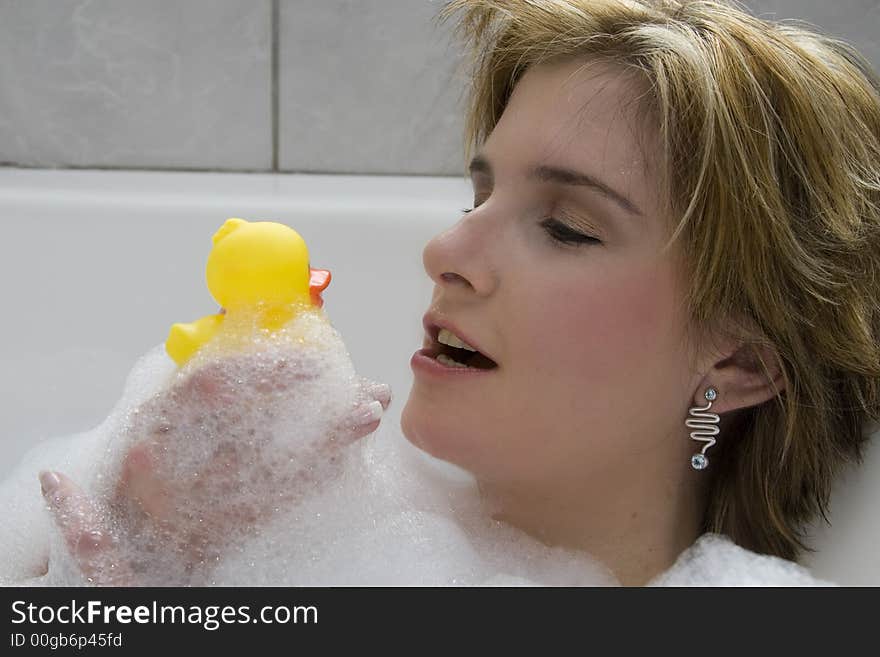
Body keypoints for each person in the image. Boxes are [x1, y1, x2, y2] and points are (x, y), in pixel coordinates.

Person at [9, 0, 880, 586]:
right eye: (479, 197)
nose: (442, 248)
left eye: (568, 225)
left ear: (737, 358)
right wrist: (129, 585)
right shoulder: (296, 535)